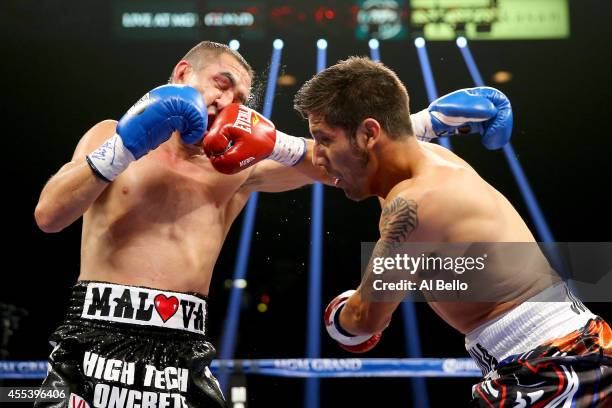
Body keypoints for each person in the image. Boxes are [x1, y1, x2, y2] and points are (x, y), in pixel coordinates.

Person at [34, 38, 514, 407]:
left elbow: (330, 156)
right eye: (222, 82)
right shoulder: (108, 135)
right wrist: (128, 144)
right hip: (90, 344)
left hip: (182, 355)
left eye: (241, 96)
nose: (230, 99)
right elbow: (49, 216)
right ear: (183, 73)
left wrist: (428, 121)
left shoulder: (237, 168)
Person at [207, 57, 611, 407]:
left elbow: (365, 319)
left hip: (556, 364)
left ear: (369, 133)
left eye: (324, 140)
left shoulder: (414, 206)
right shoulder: (420, 158)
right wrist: (278, 145)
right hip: (550, 357)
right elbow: (369, 146)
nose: (320, 156)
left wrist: (338, 318)